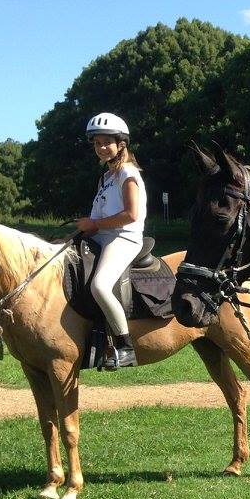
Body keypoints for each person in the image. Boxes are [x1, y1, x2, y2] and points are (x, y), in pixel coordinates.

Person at [73, 112, 148, 370]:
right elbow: (95, 221)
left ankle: (125, 346)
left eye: (107, 142)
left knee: (100, 286)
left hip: (125, 238)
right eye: (97, 143)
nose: (101, 147)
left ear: (121, 144)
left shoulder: (127, 173)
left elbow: (131, 214)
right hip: (103, 236)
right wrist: (72, 236)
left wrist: (93, 225)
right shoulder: (105, 179)